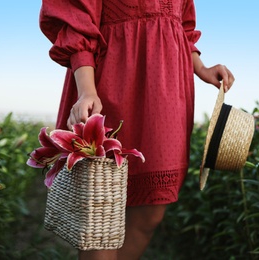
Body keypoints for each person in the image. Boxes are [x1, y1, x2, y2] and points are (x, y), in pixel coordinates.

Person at [39, 1, 234, 259]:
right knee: (101, 212)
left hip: (167, 95)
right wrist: (87, 90)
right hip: (112, 80)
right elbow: (77, 19)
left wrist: (201, 68)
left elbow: (181, 26)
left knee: (151, 211)